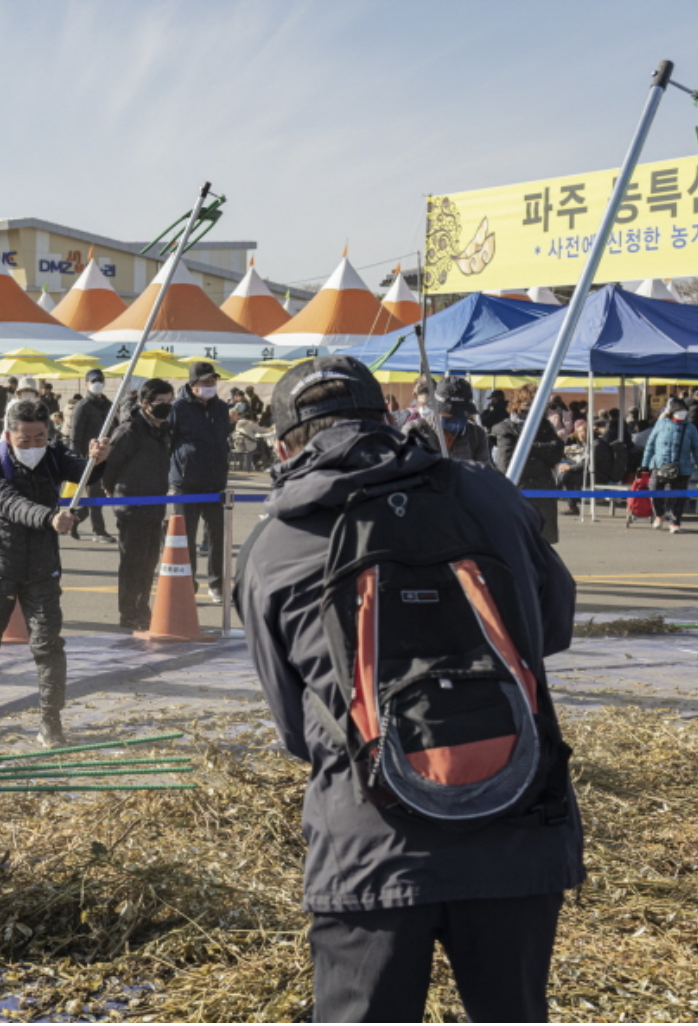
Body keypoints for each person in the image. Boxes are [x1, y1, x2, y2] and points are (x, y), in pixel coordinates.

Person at [239, 355, 582, 1023]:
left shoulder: (273, 543)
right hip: (518, 821)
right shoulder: (486, 493)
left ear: (283, 447)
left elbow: (290, 723)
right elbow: (554, 625)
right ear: (390, 416)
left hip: (369, 841)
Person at [0, 398, 111, 747]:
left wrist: (98, 459)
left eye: (39, 437)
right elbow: (9, 503)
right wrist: (49, 517)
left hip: (42, 566)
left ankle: (50, 721)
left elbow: (85, 471)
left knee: (47, 645)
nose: (32, 445)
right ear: (9, 435)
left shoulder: (55, 454)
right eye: (24, 439)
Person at [102, 377, 173, 631]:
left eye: (169, 401)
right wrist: (111, 491)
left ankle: (143, 609)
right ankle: (128, 613)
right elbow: (109, 467)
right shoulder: (130, 430)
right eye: (161, 402)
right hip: (131, 506)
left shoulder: (163, 429)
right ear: (145, 403)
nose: (166, 406)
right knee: (133, 563)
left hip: (155, 505)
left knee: (149, 561)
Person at [168, 362, 232, 602]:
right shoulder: (178, 408)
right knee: (186, 538)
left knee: (217, 537)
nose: (210, 386)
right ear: (193, 383)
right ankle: (188, 583)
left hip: (215, 482)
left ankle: (216, 584)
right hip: (187, 483)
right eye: (205, 382)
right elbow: (169, 441)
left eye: (213, 382)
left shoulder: (221, 408)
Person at [490, 383, 564, 544]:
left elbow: (556, 452)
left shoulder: (545, 426)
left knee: (543, 548)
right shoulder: (505, 428)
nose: (533, 408)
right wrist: (542, 457)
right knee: (517, 544)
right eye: (528, 403)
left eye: (539, 403)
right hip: (518, 493)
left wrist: (526, 447)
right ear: (517, 404)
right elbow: (507, 465)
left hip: (544, 493)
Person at [641, 397, 698, 534]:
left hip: (682, 467)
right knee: (654, 490)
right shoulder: (661, 424)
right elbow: (650, 445)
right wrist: (644, 465)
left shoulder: (690, 428)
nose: (682, 413)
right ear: (672, 411)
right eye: (679, 410)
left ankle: (675, 521)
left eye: (684, 410)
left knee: (678, 496)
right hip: (659, 465)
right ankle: (659, 514)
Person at [66, 369, 116, 543]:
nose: (97, 383)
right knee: (95, 494)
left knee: (101, 496)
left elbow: (115, 429)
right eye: (93, 380)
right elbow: (75, 434)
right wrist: (76, 459)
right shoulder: (83, 405)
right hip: (88, 457)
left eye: (100, 380)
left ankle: (76, 518)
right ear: (86, 383)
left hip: (106, 456)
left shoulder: (109, 404)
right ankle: (99, 531)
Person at [404, 376, 492, 465]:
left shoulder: (477, 435)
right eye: (451, 412)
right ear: (437, 409)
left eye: (462, 412)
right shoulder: (415, 431)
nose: (457, 416)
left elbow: (483, 472)